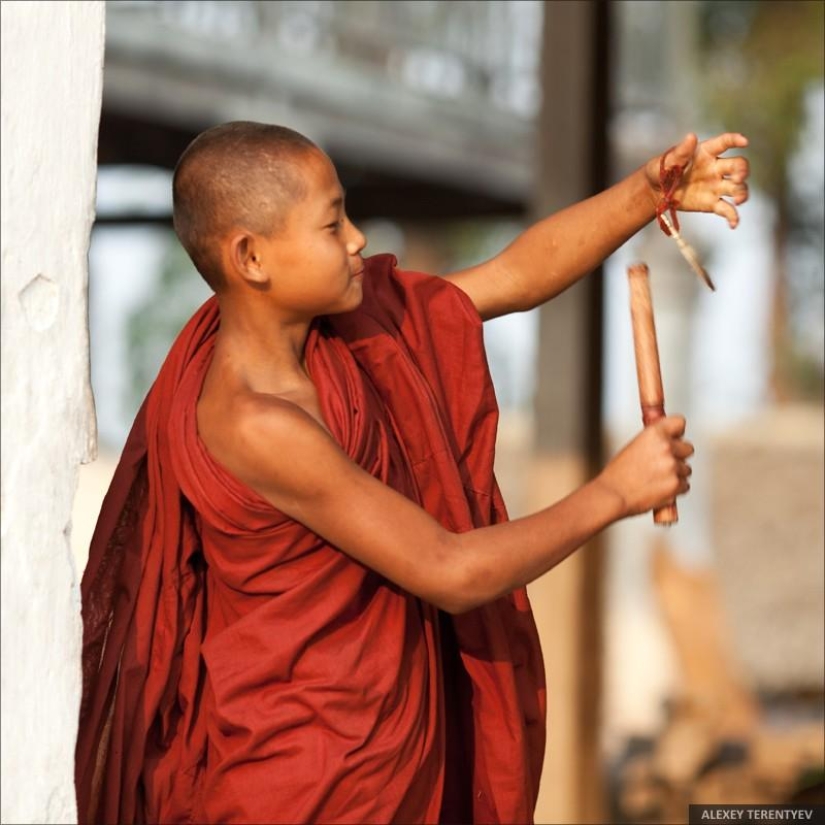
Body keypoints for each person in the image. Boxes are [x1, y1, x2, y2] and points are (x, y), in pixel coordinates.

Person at [75, 121, 749, 825]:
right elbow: (448, 569)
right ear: (250, 257)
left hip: (385, 767)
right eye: (332, 223)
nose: (358, 238)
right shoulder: (254, 422)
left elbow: (513, 275)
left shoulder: (352, 336)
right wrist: (614, 492)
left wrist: (647, 193)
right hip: (303, 782)